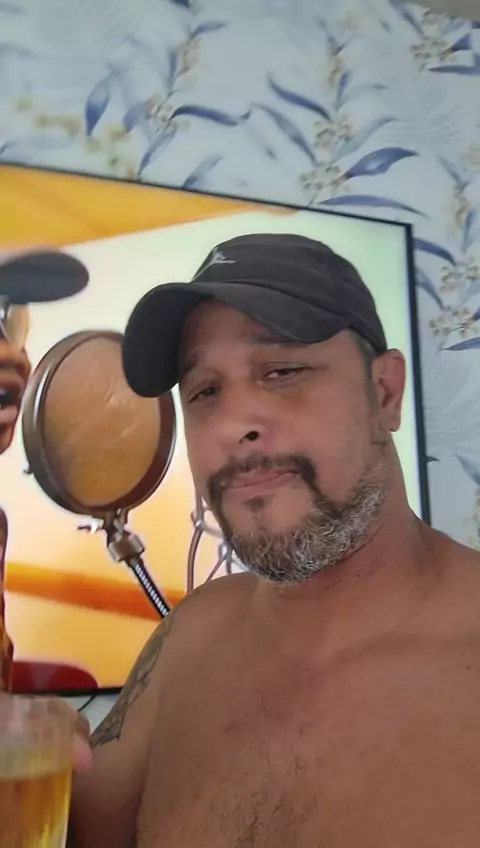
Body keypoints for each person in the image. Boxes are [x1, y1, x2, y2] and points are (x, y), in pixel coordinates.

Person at [62, 234, 480, 845]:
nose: (233, 424)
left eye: (283, 371)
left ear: (385, 393)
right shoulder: (190, 636)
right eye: (205, 391)